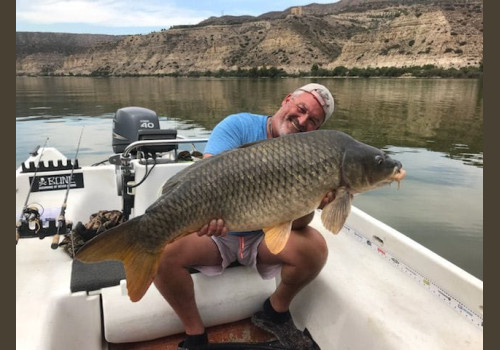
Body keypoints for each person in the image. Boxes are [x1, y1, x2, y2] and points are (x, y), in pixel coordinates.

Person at [153, 83, 335, 350]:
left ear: (315, 130)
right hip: (217, 236)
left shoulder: (309, 155)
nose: (302, 120)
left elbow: (298, 224)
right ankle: (195, 335)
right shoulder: (237, 126)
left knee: (315, 248)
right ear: (287, 101)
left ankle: (274, 311)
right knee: (160, 249)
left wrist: (315, 201)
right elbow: (205, 180)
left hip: (262, 239)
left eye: (313, 121)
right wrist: (207, 216)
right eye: (301, 109)